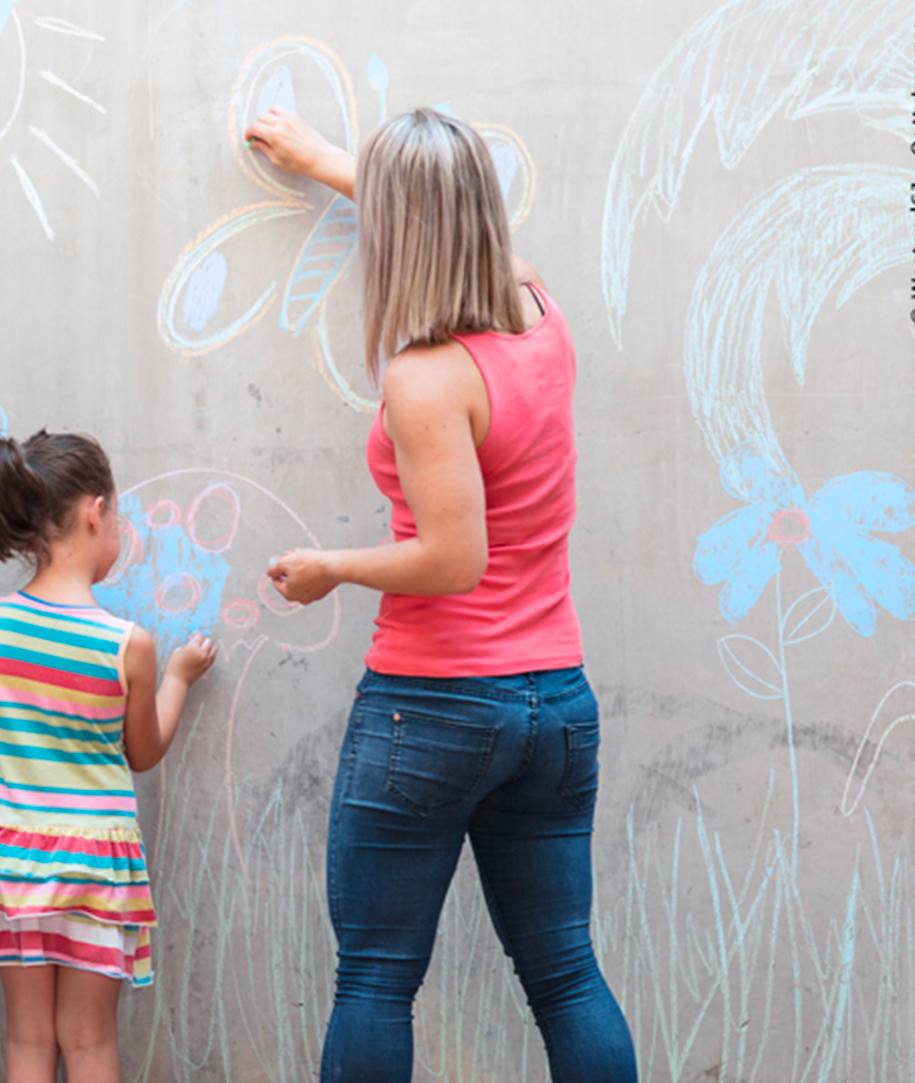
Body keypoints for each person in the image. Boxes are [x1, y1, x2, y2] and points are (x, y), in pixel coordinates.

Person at [249, 105, 639, 1082]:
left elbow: (450, 560)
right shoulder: (538, 310)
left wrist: (330, 567)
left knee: (375, 979)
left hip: (431, 705)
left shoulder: (427, 378)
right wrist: (326, 163)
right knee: (562, 972)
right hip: (551, 703)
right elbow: (440, 217)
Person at [0, 429, 218, 1083]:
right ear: (96, 512)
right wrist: (178, 677)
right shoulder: (127, 645)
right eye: (116, 515)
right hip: (93, 859)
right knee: (88, 1041)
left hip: (6, 853)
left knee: (29, 1039)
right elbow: (143, 752)